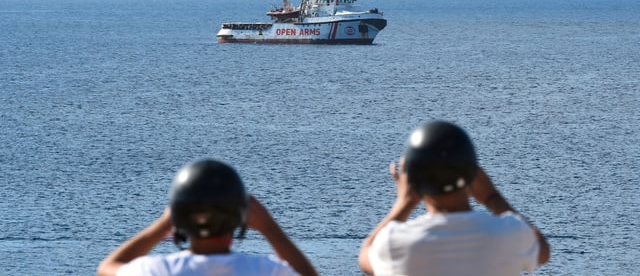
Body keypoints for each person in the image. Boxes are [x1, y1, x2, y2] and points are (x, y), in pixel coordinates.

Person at [358, 121, 550, 276]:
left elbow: (366, 256)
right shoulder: (508, 232)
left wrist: (404, 203)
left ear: (411, 179)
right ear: (473, 174)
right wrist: (493, 197)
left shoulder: (395, 242)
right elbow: (542, 251)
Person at [98, 159, 318, 276]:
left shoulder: (157, 270)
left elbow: (107, 268)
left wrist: (161, 226)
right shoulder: (263, 270)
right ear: (239, 217)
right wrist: (270, 228)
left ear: (178, 217)